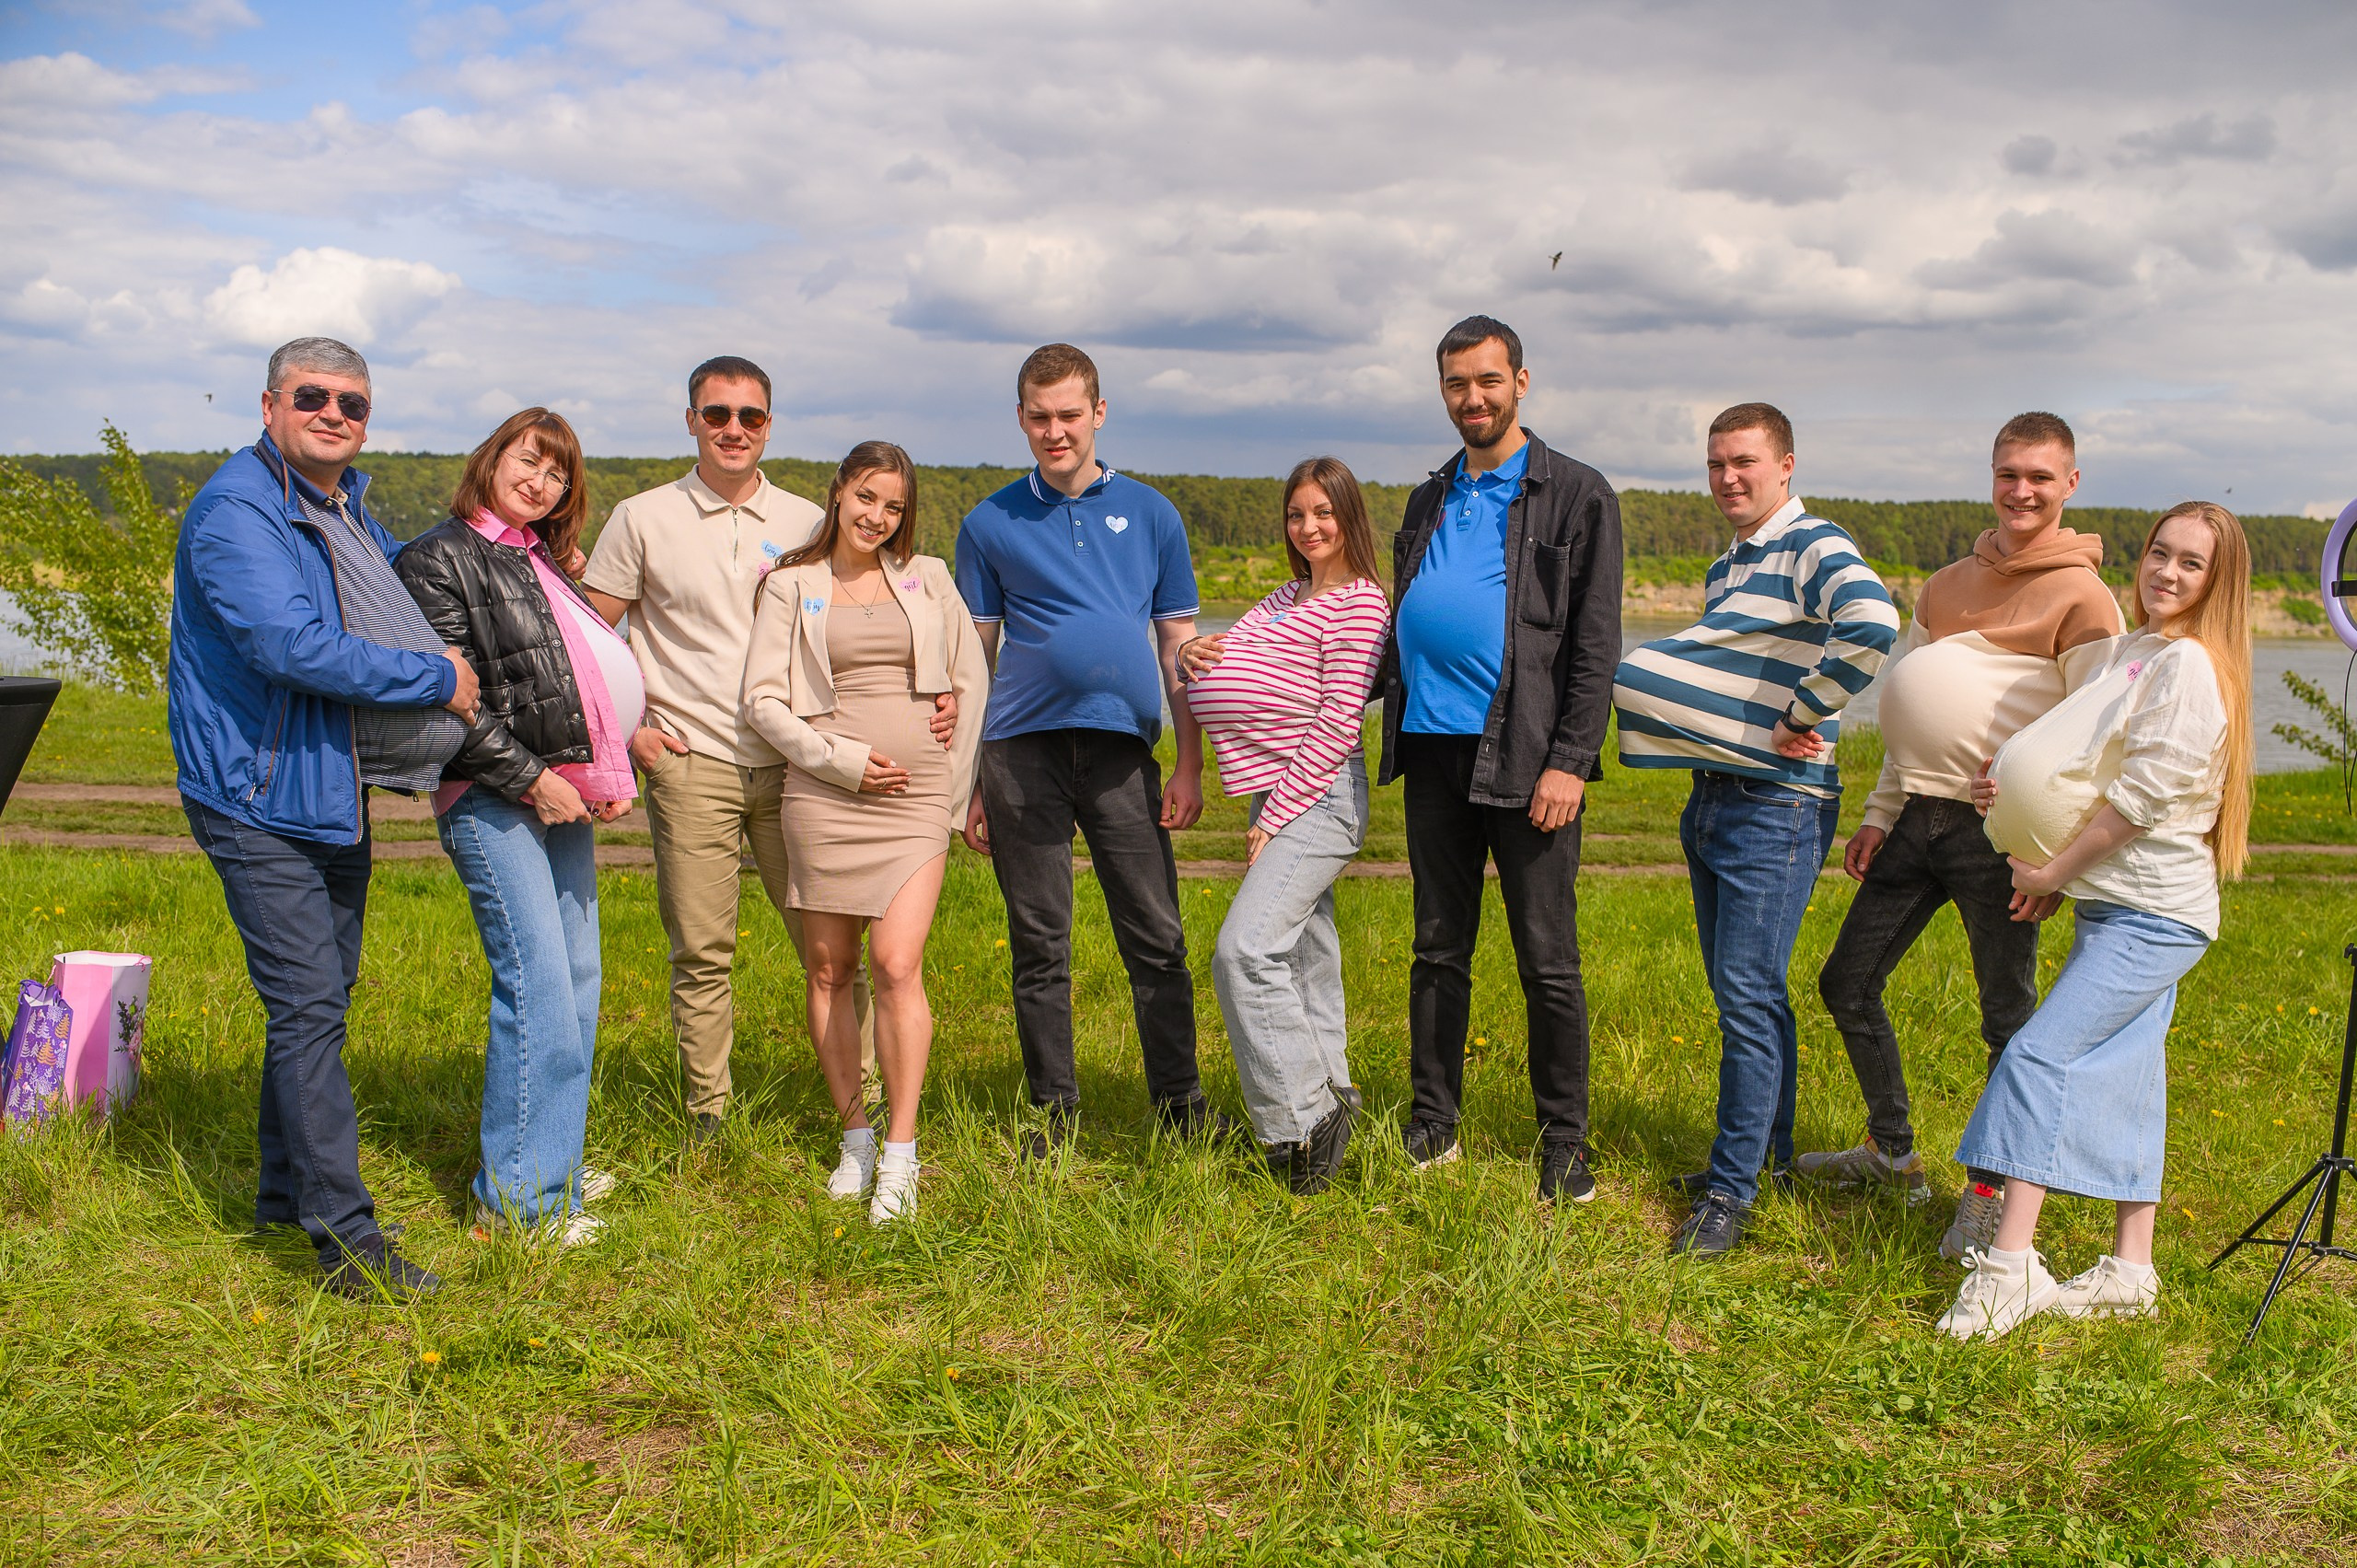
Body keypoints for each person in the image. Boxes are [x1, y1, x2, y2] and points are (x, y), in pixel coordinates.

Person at [168, 336, 479, 1302]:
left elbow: (393, 592)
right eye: (314, 395)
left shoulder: (338, 506)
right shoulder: (238, 511)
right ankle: (346, 1244)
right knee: (308, 1007)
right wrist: (439, 678)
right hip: (256, 791)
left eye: (354, 401)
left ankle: (277, 1194)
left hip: (326, 786)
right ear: (270, 405)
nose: (335, 412)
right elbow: (286, 644)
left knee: (318, 1004)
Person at [582, 358, 938, 1141]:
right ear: (691, 421)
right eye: (717, 415)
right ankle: (710, 1114)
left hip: (804, 769)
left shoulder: (810, 520)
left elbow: (879, 623)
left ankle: (866, 1106)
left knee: (836, 952)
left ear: (770, 424)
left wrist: (940, 693)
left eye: (749, 416)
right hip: (691, 759)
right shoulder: (643, 517)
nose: (733, 430)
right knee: (703, 950)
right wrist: (627, 730)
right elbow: (587, 638)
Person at [1802, 413, 2123, 1258]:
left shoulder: (2086, 598)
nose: (2022, 491)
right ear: (1991, 474)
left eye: (2041, 479)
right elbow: (1912, 704)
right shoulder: (1947, 582)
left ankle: (1990, 1195)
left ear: (2071, 485)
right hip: (1917, 817)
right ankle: (1891, 1151)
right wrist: (1878, 814)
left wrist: (2048, 856)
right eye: (2009, 474)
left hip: (1998, 836)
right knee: (1846, 981)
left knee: (2007, 1020)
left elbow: (2099, 737)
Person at [1937, 501, 2253, 1340]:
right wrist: (2009, 788)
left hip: (2158, 913)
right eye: (2160, 553)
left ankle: (2008, 1265)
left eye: (2192, 563)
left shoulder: (2188, 666)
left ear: (2218, 582)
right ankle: (2132, 1267)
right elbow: (2081, 768)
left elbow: (2142, 800)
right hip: (2119, 901)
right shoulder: (2137, 653)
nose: (2167, 572)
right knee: (2132, 1074)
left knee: (2039, 1055)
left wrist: (2052, 867)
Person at [1614, 402, 1898, 1256]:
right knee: (1751, 997)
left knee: (1745, 999)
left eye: (1744, 461)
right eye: (1715, 465)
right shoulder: (1728, 564)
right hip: (1716, 800)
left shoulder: (1812, 544)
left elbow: (1873, 622)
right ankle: (1763, 1161)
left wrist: (1804, 708)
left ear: (1786, 466)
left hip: (1777, 806)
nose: (1728, 478)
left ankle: (1731, 1195)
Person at [955, 342, 1235, 1158]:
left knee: (1157, 935)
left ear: (1098, 412)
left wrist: (1188, 763)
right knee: (1040, 940)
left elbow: (1176, 646)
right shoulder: (988, 521)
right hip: (1018, 755)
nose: (1055, 430)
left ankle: (1180, 1103)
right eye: (1038, 417)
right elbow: (976, 659)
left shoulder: (1153, 514)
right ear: (1020, 419)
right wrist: (971, 782)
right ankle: (1052, 1113)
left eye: (1069, 414)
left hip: (1121, 756)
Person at [1376, 316, 1623, 1202]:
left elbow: (1596, 646)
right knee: (1438, 948)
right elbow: (1397, 620)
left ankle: (1564, 1139)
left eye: (1487, 381)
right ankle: (1432, 1121)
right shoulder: (1430, 494)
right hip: (1430, 749)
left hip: (1526, 760)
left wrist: (1569, 760)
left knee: (1545, 957)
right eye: (1455, 384)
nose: (1471, 399)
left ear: (1522, 380)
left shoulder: (1577, 493)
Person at [396, 409, 640, 1248]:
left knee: (577, 982)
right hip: (496, 795)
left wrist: (607, 762)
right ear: (491, 458)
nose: (540, 483)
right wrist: (535, 780)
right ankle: (519, 1210)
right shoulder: (437, 559)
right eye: (528, 463)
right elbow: (453, 698)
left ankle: (552, 1161)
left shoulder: (537, 561)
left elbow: (576, 678)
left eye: (558, 474)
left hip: (561, 793)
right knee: (536, 986)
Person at [741, 443, 989, 1223]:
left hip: (913, 799)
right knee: (827, 968)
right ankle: (855, 1135)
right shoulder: (791, 585)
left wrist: (954, 779)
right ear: (839, 492)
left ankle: (902, 1155)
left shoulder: (931, 578)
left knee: (896, 961)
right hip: (823, 794)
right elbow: (763, 701)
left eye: (894, 506)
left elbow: (969, 676)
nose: (878, 517)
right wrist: (843, 761)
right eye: (866, 498)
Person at [1179, 458, 1390, 1193]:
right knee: (1305, 956)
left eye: (1323, 513)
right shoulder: (1284, 596)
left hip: (1316, 795)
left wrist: (1275, 815)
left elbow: (1338, 723)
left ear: (1349, 517)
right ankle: (1335, 1098)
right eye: (1297, 515)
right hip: (1273, 791)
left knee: (1244, 951)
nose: (1309, 527)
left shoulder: (1361, 603)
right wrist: (1187, 650)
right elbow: (1226, 654)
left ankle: (1298, 1124)